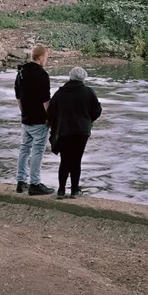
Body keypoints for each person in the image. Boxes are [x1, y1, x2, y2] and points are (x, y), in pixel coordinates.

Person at [47, 66, 102, 199]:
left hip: (64, 131)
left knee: (64, 160)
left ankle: (61, 190)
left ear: (70, 77)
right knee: (76, 160)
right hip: (82, 131)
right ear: (84, 78)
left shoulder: (60, 93)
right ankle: (74, 190)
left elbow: (50, 112)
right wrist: (90, 120)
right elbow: (97, 110)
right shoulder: (88, 92)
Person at [14, 45, 55, 196]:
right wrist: (50, 118)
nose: (47, 60)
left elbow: (18, 96)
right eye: (46, 57)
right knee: (37, 150)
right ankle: (35, 184)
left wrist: (23, 112)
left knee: (24, 149)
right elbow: (46, 100)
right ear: (41, 58)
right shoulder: (42, 74)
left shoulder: (21, 72)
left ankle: (20, 181)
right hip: (39, 120)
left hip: (26, 118)